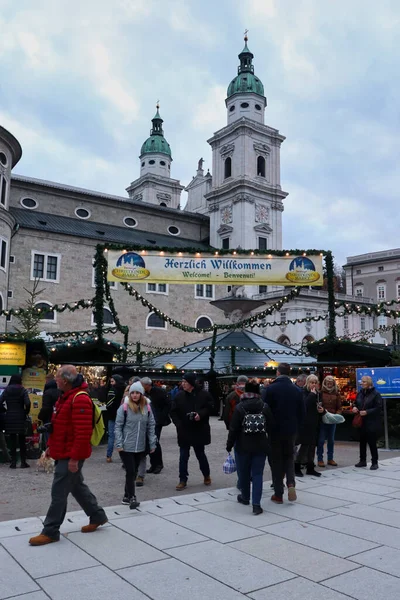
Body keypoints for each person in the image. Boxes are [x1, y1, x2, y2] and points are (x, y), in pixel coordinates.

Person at [29, 366, 107, 546]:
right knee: (77, 486)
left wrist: (74, 459)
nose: (54, 380)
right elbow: (59, 427)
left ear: (65, 380)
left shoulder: (79, 399)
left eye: (57, 377)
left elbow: (82, 433)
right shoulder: (65, 397)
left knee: (59, 492)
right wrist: (50, 447)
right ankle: (97, 515)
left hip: (71, 454)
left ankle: (50, 531)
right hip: (64, 451)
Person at [226, 380, 273, 515]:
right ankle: (256, 504)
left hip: (242, 445)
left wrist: (229, 445)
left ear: (246, 391)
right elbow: (272, 426)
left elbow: (233, 428)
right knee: (257, 474)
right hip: (260, 445)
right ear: (258, 392)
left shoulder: (240, 407)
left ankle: (245, 497)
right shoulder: (264, 406)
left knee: (244, 473)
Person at [262, 363, 305, 504]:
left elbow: (264, 409)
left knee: (276, 461)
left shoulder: (270, 389)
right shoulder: (297, 390)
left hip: (274, 431)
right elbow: (302, 413)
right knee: (289, 458)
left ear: (278, 373)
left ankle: (278, 494)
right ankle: (291, 483)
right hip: (291, 430)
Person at [114, 381, 157, 508]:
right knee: (131, 471)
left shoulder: (147, 408)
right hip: (127, 446)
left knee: (134, 470)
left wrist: (152, 443)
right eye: (132, 392)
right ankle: (132, 497)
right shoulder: (124, 408)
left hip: (141, 446)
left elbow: (151, 426)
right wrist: (119, 443)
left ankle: (126, 496)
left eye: (137, 393)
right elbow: (118, 426)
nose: (134, 395)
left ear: (141, 394)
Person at [171, 372, 212, 491]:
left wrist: (201, 414)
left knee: (200, 454)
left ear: (191, 383)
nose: (183, 384)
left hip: (199, 429)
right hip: (184, 429)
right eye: (182, 382)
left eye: (185, 382)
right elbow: (173, 411)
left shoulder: (204, 395)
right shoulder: (179, 396)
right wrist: (178, 424)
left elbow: (210, 407)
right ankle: (182, 479)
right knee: (183, 456)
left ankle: (206, 475)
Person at [295, 375, 324, 478]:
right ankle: (296, 466)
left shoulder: (319, 394)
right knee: (305, 446)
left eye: (315, 382)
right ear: (307, 383)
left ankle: (310, 467)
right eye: (312, 382)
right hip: (305, 424)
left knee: (312, 446)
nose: (314, 384)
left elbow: (321, 406)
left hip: (315, 423)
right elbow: (305, 405)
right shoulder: (303, 392)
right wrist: (312, 395)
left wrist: (322, 410)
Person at [141, 377, 171, 475]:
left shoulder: (159, 392)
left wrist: (161, 417)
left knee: (155, 442)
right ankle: (153, 464)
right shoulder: (145, 393)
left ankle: (158, 464)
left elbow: (168, 404)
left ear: (147, 385)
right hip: (149, 420)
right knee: (150, 442)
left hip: (157, 420)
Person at [353, 375, 382, 470]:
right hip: (361, 422)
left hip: (371, 422)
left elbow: (378, 408)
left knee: (372, 443)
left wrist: (367, 412)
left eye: (364, 382)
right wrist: (354, 407)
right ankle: (362, 461)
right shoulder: (360, 393)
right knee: (362, 442)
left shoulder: (376, 394)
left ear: (369, 383)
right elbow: (356, 403)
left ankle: (374, 462)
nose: (362, 383)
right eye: (362, 381)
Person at [2, 374, 31, 469]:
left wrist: (5, 410)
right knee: (22, 440)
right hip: (20, 416)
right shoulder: (22, 389)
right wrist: (26, 411)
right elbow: (28, 403)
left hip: (10, 416)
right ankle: (23, 462)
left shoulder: (7, 390)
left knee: (12, 439)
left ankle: (13, 462)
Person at [317, 376, 342, 467]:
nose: (329, 383)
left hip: (332, 419)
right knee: (321, 440)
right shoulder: (321, 393)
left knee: (331, 440)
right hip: (323, 419)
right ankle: (320, 459)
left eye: (331, 382)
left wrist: (336, 415)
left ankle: (330, 458)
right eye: (327, 382)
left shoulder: (337, 394)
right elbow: (318, 406)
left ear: (333, 383)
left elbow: (339, 407)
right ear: (325, 383)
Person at [105, 374, 126, 462]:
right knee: (123, 436)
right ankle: (124, 456)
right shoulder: (126, 390)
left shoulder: (112, 390)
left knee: (111, 436)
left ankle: (109, 456)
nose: (111, 383)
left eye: (113, 381)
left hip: (113, 416)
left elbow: (108, 404)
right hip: (123, 416)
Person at [0, 392, 11, 463]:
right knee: (3, 445)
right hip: (0, 429)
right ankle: (9, 459)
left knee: (3, 445)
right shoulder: (2, 410)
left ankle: (8, 459)